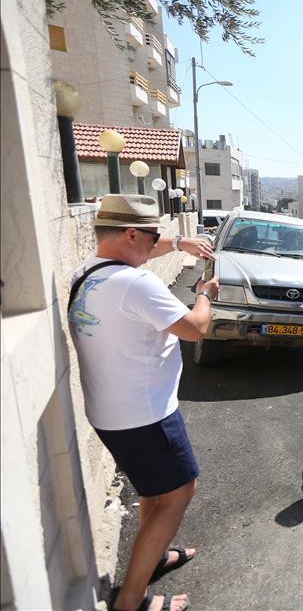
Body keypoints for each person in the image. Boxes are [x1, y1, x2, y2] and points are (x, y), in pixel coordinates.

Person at [68, 194, 218, 611]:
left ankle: (149, 559)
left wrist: (179, 244)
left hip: (111, 412)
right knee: (178, 493)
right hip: (146, 415)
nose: (158, 242)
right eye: (154, 235)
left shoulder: (90, 272)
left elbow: (143, 257)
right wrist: (204, 293)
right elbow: (194, 329)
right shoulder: (137, 283)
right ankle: (131, 600)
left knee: (155, 491)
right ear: (132, 234)